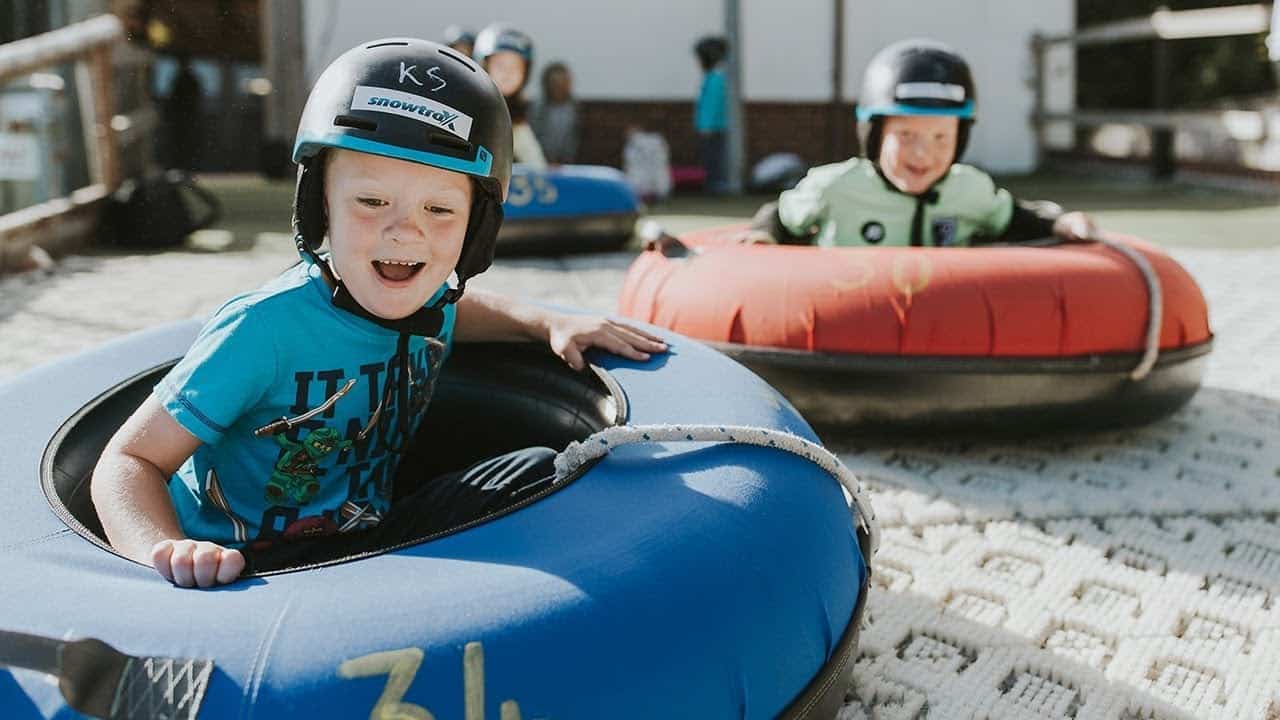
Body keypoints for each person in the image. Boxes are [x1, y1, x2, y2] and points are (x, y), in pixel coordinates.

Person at [90, 38, 666, 588]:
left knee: (537, 469)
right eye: (370, 201)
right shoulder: (262, 330)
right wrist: (162, 551)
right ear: (320, 206)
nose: (405, 231)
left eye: (440, 209)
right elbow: (127, 460)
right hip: (248, 570)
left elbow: (457, 312)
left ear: (476, 231)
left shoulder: (427, 301)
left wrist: (543, 322)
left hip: (368, 540)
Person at [751, 39, 1094, 247]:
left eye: (941, 137)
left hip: (940, 337)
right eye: (906, 135)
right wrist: (764, 238)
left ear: (961, 139)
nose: (923, 153)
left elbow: (1014, 217)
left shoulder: (969, 189)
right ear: (873, 136)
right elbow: (780, 217)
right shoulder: (835, 186)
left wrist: (1059, 223)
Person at [474, 24, 547, 169]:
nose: (508, 74)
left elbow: (535, 163)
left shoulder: (515, 117)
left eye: (516, 67)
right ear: (484, 65)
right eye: (500, 65)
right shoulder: (469, 105)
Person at [693, 36, 729, 195]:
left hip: (714, 128)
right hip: (712, 127)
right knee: (712, 158)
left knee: (714, 158)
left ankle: (716, 186)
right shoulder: (715, 77)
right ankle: (714, 184)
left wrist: (706, 126)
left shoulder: (716, 78)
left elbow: (713, 104)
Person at [529, 61, 579, 164]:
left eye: (564, 83)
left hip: (568, 162)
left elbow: (573, 140)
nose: (560, 88)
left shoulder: (575, 109)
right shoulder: (538, 109)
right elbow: (533, 138)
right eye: (556, 84)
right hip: (540, 161)